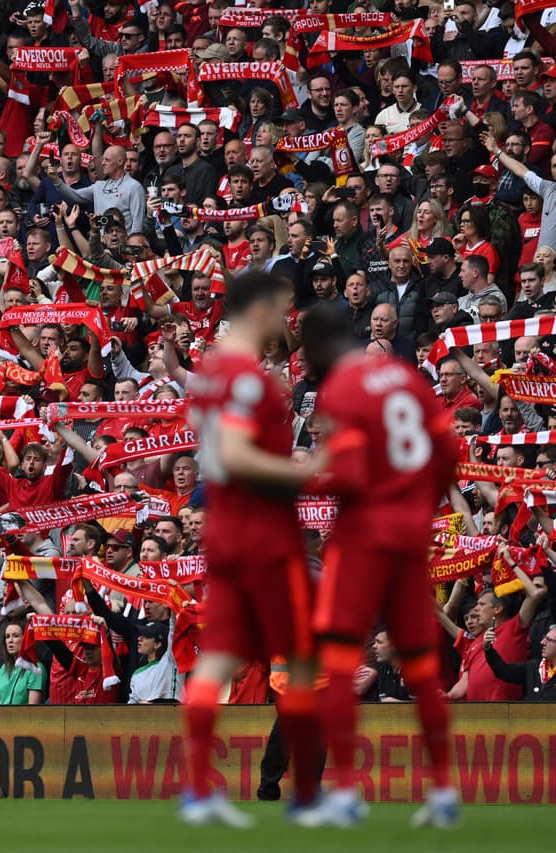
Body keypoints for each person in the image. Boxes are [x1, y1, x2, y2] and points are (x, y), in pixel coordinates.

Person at [293, 303, 460, 827]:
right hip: (410, 539)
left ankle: (344, 793)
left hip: (363, 541)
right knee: (421, 665)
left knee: (341, 660)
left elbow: (348, 469)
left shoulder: (343, 388)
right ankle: (443, 793)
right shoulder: (409, 381)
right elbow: (449, 451)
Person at [179, 271, 325, 827]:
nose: (284, 314)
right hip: (253, 529)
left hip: (231, 527)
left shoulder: (220, 372)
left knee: (223, 655)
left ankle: (199, 791)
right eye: (279, 306)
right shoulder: (245, 379)